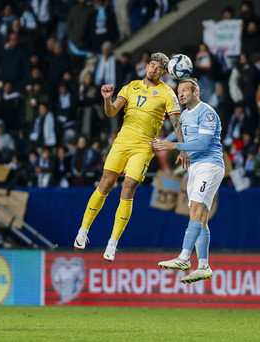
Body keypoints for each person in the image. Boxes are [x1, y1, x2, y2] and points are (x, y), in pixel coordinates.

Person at [73, 52, 182, 261]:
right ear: (147, 65)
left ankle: (112, 242)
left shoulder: (167, 92)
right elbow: (111, 112)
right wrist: (107, 100)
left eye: (158, 68)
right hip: (122, 141)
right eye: (151, 65)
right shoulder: (131, 86)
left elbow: (176, 123)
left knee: (128, 187)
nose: (153, 69)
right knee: (105, 184)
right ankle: (83, 230)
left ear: (164, 73)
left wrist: (183, 147)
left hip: (144, 146)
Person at [153, 77, 225, 284]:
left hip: (210, 166)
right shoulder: (184, 115)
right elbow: (177, 136)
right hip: (195, 168)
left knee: (195, 209)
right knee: (200, 217)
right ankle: (203, 266)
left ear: (197, 92)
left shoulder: (207, 113)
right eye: (179, 91)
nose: (181, 94)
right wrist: (159, 143)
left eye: (185, 90)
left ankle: (184, 257)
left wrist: (172, 147)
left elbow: (202, 143)